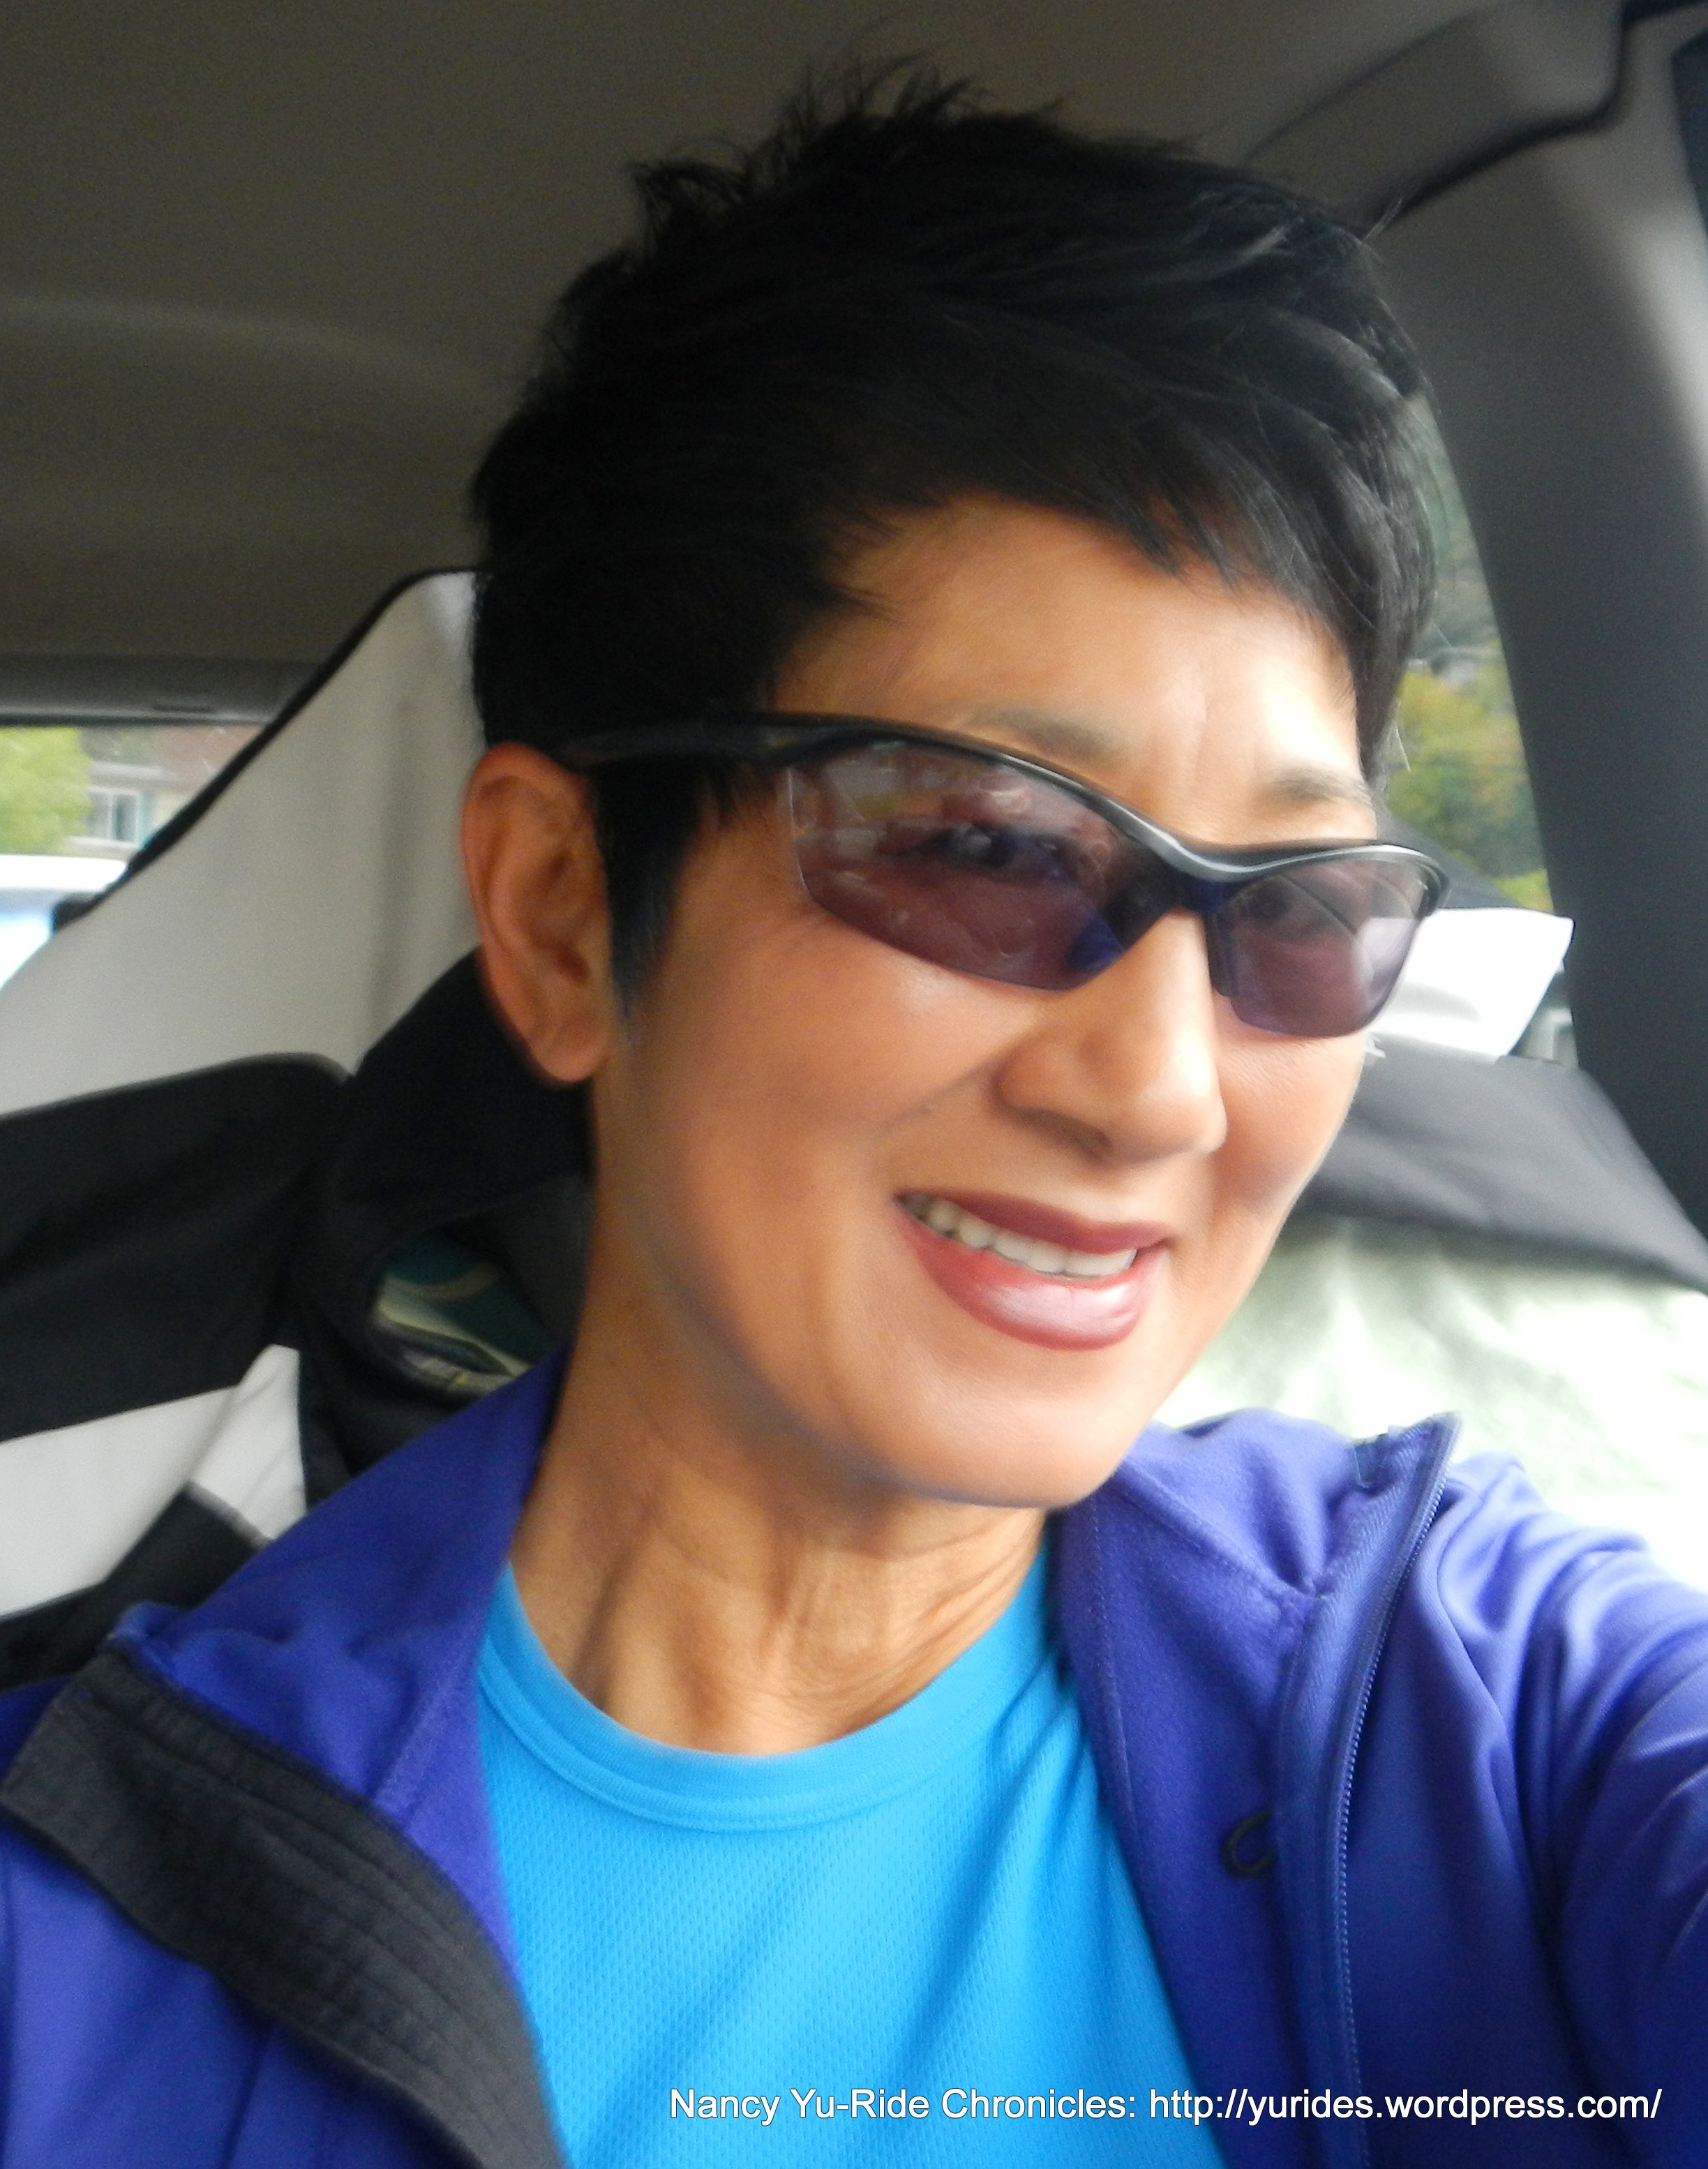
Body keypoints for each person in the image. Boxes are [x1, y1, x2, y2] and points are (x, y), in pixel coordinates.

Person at [1, 71, 1705, 2169]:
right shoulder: (68, 1946)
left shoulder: (1482, 1701)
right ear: (562, 913)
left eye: (1294, 909)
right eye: (985, 847)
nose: (1162, 1087)